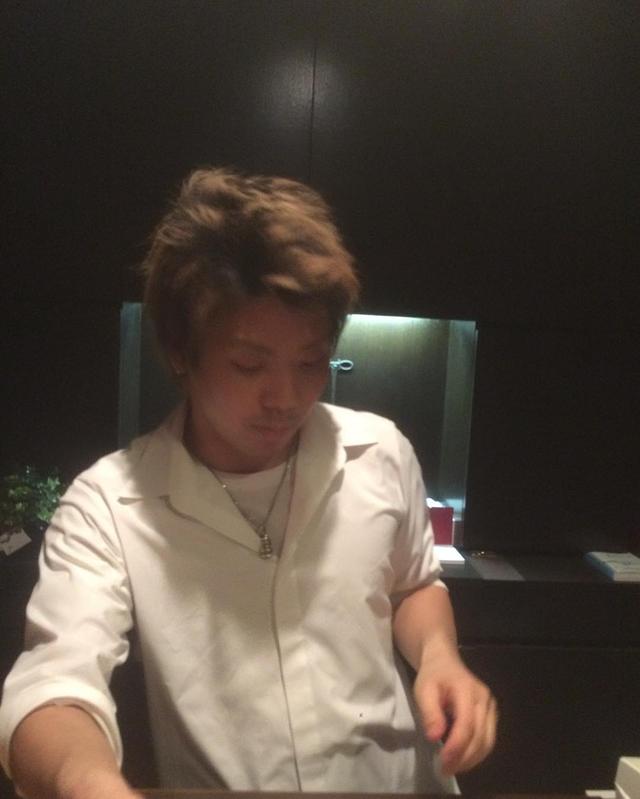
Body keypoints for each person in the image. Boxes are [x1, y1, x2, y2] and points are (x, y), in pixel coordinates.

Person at [0, 168, 497, 799]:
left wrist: (439, 656)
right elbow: (52, 687)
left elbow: (412, 585)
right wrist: (88, 782)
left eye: (310, 362)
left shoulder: (380, 453)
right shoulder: (111, 506)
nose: (285, 398)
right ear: (180, 353)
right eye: (248, 364)